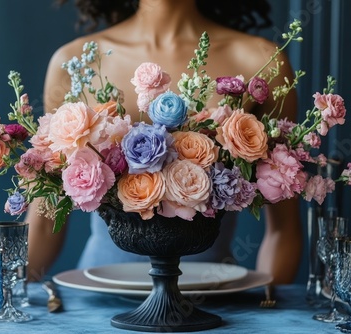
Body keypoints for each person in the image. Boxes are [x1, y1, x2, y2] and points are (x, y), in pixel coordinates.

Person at [26, 0, 302, 285]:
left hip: (214, 298)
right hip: (97, 299)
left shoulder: (261, 61)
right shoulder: (73, 62)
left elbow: (283, 229)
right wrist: (8, 303)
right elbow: (45, 221)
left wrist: (270, 310)